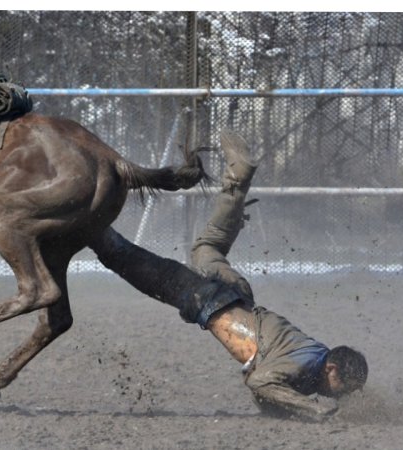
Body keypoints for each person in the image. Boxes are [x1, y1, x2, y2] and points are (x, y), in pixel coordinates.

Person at [88, 130, 368, 422]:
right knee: (117, 256)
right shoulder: (304, 364)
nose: (341, 395)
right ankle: (85, 220)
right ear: (331, 369)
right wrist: (315, 410)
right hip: (210, 300)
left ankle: (238, 177)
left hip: (238, 298)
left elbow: (265, 390)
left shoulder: (318, 356)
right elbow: (260, 381)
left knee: (206, 247)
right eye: (343, 389)